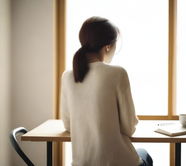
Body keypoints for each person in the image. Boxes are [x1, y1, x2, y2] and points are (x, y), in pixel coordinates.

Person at [60, 16, 153, 166]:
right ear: (108, 46)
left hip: (81, 163)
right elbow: (129, 128)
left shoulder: (67, 76)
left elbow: (68, 125)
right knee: (145, 155)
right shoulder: (117, 73)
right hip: (118, 162)